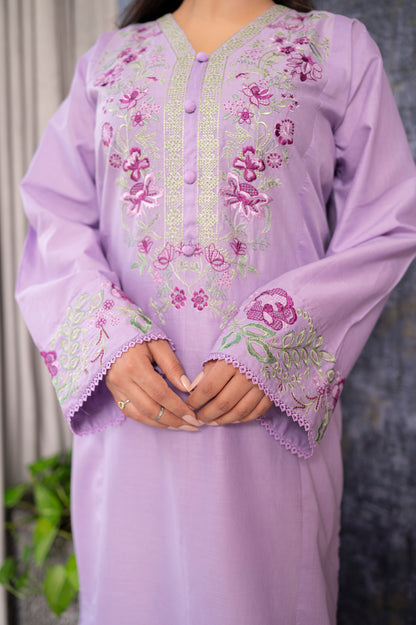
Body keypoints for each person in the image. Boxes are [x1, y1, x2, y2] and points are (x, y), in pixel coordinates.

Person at [15, 0, 416, 623]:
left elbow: (387, 223)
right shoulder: (110, 61)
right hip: (133, 420)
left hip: (266, 424)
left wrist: (272, 346)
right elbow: (55, 216)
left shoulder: (334, 49)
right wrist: (110, 342)